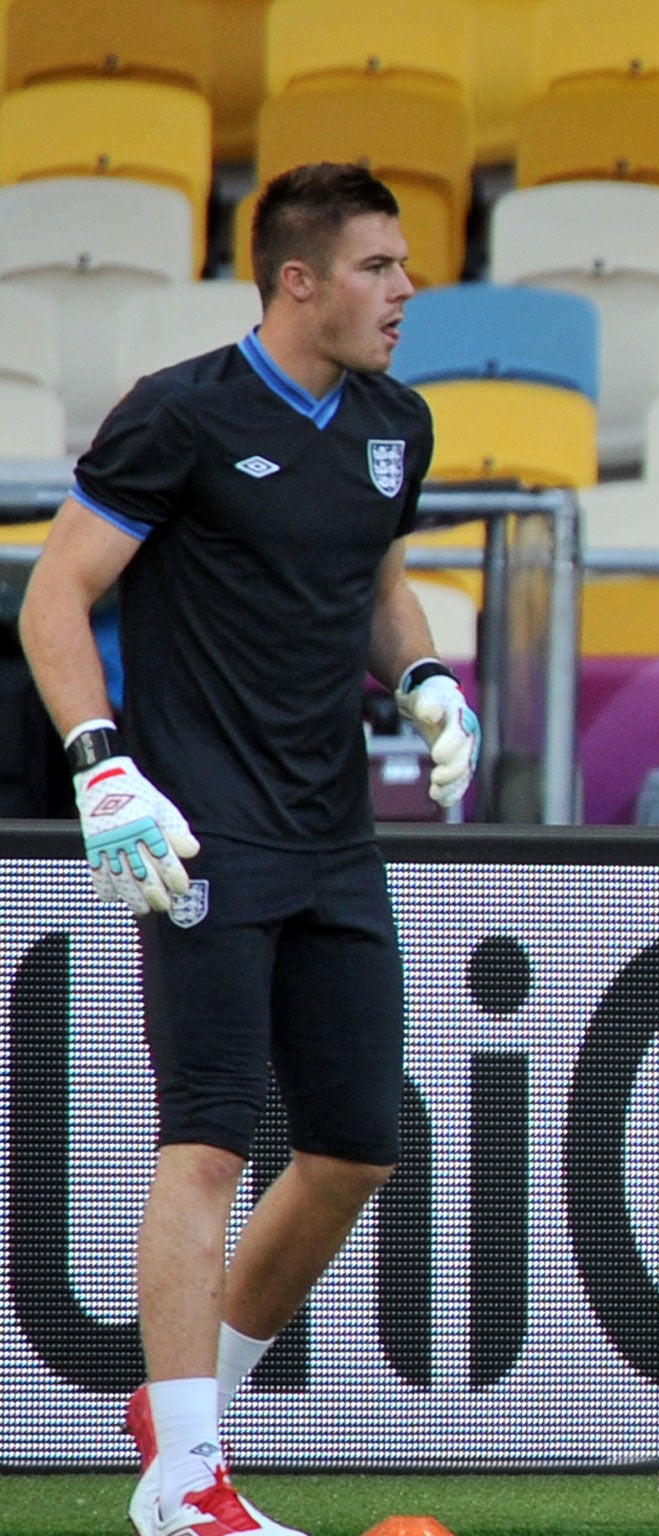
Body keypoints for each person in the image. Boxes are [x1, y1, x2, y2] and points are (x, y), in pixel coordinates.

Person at [19, 162, 476, 1536]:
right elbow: (54, 593)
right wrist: (103, 770)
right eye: (379, 267)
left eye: (403, 267)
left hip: (337, 834)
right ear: (298, 281)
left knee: (354, 1145)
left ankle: (184, 1417)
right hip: (202, 833)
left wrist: (426, 679)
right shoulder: (182, 415)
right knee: (209, 1140)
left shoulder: (398, 423)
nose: (405, 292)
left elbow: (378, 577)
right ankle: (187, 1478)